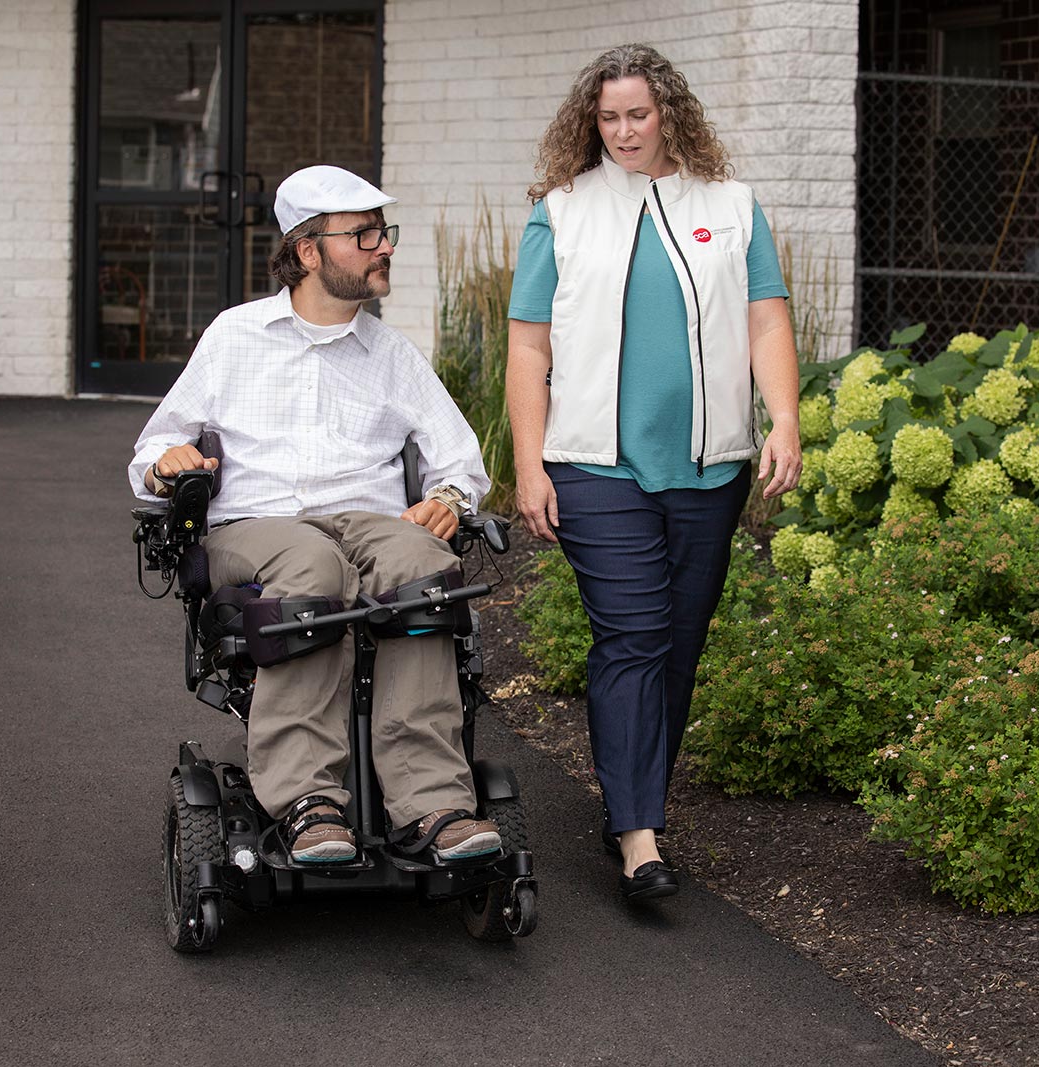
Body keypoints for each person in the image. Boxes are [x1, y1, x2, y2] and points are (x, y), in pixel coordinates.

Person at [130, 165, 501, 865]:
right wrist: (166, 461)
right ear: (308, 250)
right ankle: (307, 801)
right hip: (255, 528)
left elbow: (460, 461)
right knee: (313, 562)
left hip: (366, 522)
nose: (383, 246)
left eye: (382, 232)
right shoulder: (234, 337)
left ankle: (433, 804)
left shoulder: (392, 355)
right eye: (364, 235)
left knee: (422, 564)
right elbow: (153, 446)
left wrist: (448, 501)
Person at [505, 44, 802, 900]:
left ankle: (632, 801)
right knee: (633, 633)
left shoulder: (732, 207)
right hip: (595, 463)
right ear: (589, 123)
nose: (624, 130)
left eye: (638, 114)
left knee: (677, 644)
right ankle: (641, 840)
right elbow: (529, 347)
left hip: (710, 470)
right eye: (609, 117)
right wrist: (530, 464)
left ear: (670, 112)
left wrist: (784, 417)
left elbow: (767, 322)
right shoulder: (560, 212)